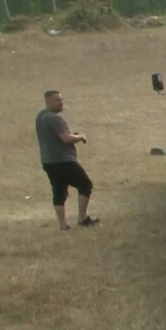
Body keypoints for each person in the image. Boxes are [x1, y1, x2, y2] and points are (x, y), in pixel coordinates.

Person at [35, 90, 98, 231]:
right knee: (85, 185)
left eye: (61, 100)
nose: (61, 103)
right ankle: (82, 219)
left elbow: (56, 137)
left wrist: (71, 135)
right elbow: (66, 139)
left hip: (48, 161)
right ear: (49, 102)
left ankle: (62, 225)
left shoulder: (40, 117)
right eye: (58, 100)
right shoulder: (54, 118)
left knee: (59, 190)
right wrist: (80, 137)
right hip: (64, 161)